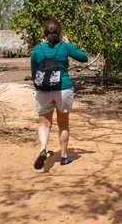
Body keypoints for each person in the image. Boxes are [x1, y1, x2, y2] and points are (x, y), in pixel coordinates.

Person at [31, 20, 88, 169]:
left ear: (45, 33)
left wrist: (39, 86)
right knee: (63, 124)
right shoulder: (65, 47)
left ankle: (43, 149)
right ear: (59, 33)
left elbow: (34, 72)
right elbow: (84, 57)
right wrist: (70, 44)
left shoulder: (37, 50)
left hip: (43, 91)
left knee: (44, 123)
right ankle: (64, 157)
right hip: (63, 89)